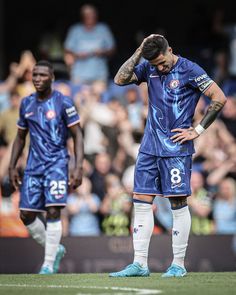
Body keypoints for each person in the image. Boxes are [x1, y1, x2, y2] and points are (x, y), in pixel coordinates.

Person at [109, 34, 227, 278]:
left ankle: (178, 265)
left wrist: (197, 130)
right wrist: (140, 51)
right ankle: (139, 264)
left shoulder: (190, 69)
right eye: (155, 65)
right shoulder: (149, 67)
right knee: (141, 201)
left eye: (162, 62)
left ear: (170, 50)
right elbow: (119, 79)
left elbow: (219, 98)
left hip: (175, 148)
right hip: (149, 146)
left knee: (177, 203)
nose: (160, 68)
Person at [8, 60, 84, 274]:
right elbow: (20, 137)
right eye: (35, 75)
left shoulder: (63, 102)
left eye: (42, 75)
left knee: (53, 210)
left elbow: (77, 135)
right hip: (33, 166)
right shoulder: (26, 103)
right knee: (26, 215)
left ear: (51, 77)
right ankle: (55, 249)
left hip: (57, 164)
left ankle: (48, 264)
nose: (38, 79)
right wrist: (12, 166)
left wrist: (78, 167)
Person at [64, 4, 116, 85]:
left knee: (101, 96)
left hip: (99, 75)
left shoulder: (103, 29)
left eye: (92, 15)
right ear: (83, 17)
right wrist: (77, 54)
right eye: (87, 15)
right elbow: (67, 50)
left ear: (96, 15)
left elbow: (113, 50)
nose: (90, 17)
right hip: (79, 75)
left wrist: (102, 52)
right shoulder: (75, 30)